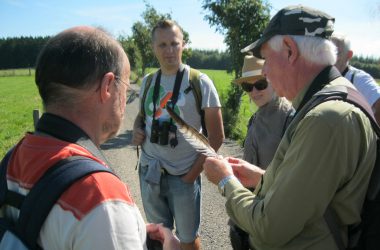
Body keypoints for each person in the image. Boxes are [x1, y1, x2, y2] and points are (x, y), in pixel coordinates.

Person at [203, 5, 377, 250]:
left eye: (265, 58)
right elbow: (320, 191)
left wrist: (225, 181)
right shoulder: (334, 99)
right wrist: (264, 178)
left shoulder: (325, 119)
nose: (263, 70)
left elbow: (270, 227)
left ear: (289, 50)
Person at [0, 26, 179, 250]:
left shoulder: (12, 158)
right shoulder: (100, 196)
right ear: (107, 86)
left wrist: (127, 227)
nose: (125, 98)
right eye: (124, 87)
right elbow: (94, 218)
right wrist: (116, 221)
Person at [132, 19, 224, 250]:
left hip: (184, 174)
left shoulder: (200, 82)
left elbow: (217, 137)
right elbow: (142, 118)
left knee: (188, 240)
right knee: (159, 237)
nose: (169, 50)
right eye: (162, 45)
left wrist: (192, 175)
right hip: (150, 173)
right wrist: (136, 129)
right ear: (154, 48)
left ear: (184, 45)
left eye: (174, 43)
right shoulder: (148, 82)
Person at [331, 32, 380, 125]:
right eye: (327, 51)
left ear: (349, 55)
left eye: (335, 52)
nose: (330, 57)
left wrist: (373, 136)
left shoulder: (359, 79)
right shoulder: (322, 75)